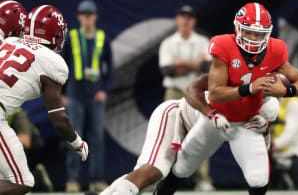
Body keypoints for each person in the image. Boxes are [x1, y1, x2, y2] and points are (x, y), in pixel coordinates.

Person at [154, 2, 298, 195]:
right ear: (238, 29)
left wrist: (285, 91)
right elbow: (216, 93)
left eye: (259, 33)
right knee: (182, 167)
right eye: (248, 32)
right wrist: (250, 88)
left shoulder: (275, 50)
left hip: (246, 122)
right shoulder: (223, 45)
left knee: (258, 177)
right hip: (216, 118)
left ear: (268, 33)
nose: (254, 38)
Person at [90, 74, 278, 195]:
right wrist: (210, 112)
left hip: (190, 133)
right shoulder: (231, 85)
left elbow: (260, 153)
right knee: (155, 171)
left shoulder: (255, 118)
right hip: (175, 117)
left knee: (147, 184)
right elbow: (191, 90)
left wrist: (265, 129)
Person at [0, 3, 88, 195]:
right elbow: (59, 119)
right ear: (56, 34)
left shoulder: (7, 43)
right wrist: (77, 142)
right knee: (21, 182)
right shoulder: (53, 62)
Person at [159, 4, 214, 191]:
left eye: (189, 18)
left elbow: (208, 67)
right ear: (177, 20)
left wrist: (181, 63)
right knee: (168, 135)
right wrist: (195, 63)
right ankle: (163, 175)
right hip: (174, 92)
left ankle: (203, 179)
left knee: (202, 134)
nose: (185, 21)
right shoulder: (169, 43)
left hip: (197, 93)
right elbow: (168, 70)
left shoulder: (202, 41)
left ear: (193, 22)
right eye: (182, 17)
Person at [62, 0, 114, 192]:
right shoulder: (72, 37)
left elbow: (111, 69)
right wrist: (63, 93)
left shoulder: (102, 38)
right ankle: (73, 180)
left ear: (96, 17)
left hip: (95, 97)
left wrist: (105, 90)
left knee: (97, 138)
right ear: (78, 17)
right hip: (75, 95)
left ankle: (97, 179)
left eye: (90, 14)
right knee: (74, 137)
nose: (87, 18)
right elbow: (61, 67)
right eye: (84, 14)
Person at [269, 97, 298, 189]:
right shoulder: (266, 101)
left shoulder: (293, 101)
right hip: (271, 156)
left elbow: (292, 129)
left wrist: (275, 144)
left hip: (291, 154)